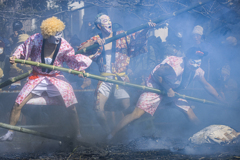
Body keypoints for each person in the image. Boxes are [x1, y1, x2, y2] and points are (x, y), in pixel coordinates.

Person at [0, 16, 92, 141]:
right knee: (17, 104)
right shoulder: (36, 39)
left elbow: (71, 59)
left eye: (60, 33)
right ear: (47, 34)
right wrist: (15, 56)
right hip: (37, 77)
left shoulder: (64, 45)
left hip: (56, 78)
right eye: (55, 34)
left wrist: (79, 71)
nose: (59, 36)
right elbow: (23, 48)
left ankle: (78, 134)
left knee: (72, 107)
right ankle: (10, 133)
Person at [107, 47, 225, 140]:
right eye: (194, 58)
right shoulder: (176, 65)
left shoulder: (197, 71)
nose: (197, 62)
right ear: (188, 57)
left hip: (174, 92)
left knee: (190, 113)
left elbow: (206, 85)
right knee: (136, 114)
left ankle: (205, 136)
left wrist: (220, 99)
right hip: (155, 88)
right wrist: (167, 89)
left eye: (199, 59)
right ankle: (110, 135)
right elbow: (157, 73)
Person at [78, 13, 156, 134]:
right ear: (99, 25)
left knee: (128, 109)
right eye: (105, 22)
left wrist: (147, 28)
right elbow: (80, 49)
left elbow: (137, 38)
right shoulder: (96, 38)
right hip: (104, 79)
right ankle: (108, 133)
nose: (108, 24)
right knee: (98, 109)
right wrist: (94, 44)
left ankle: (125, 134)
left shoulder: (122, 35)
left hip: (121, 78)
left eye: (109, 21)